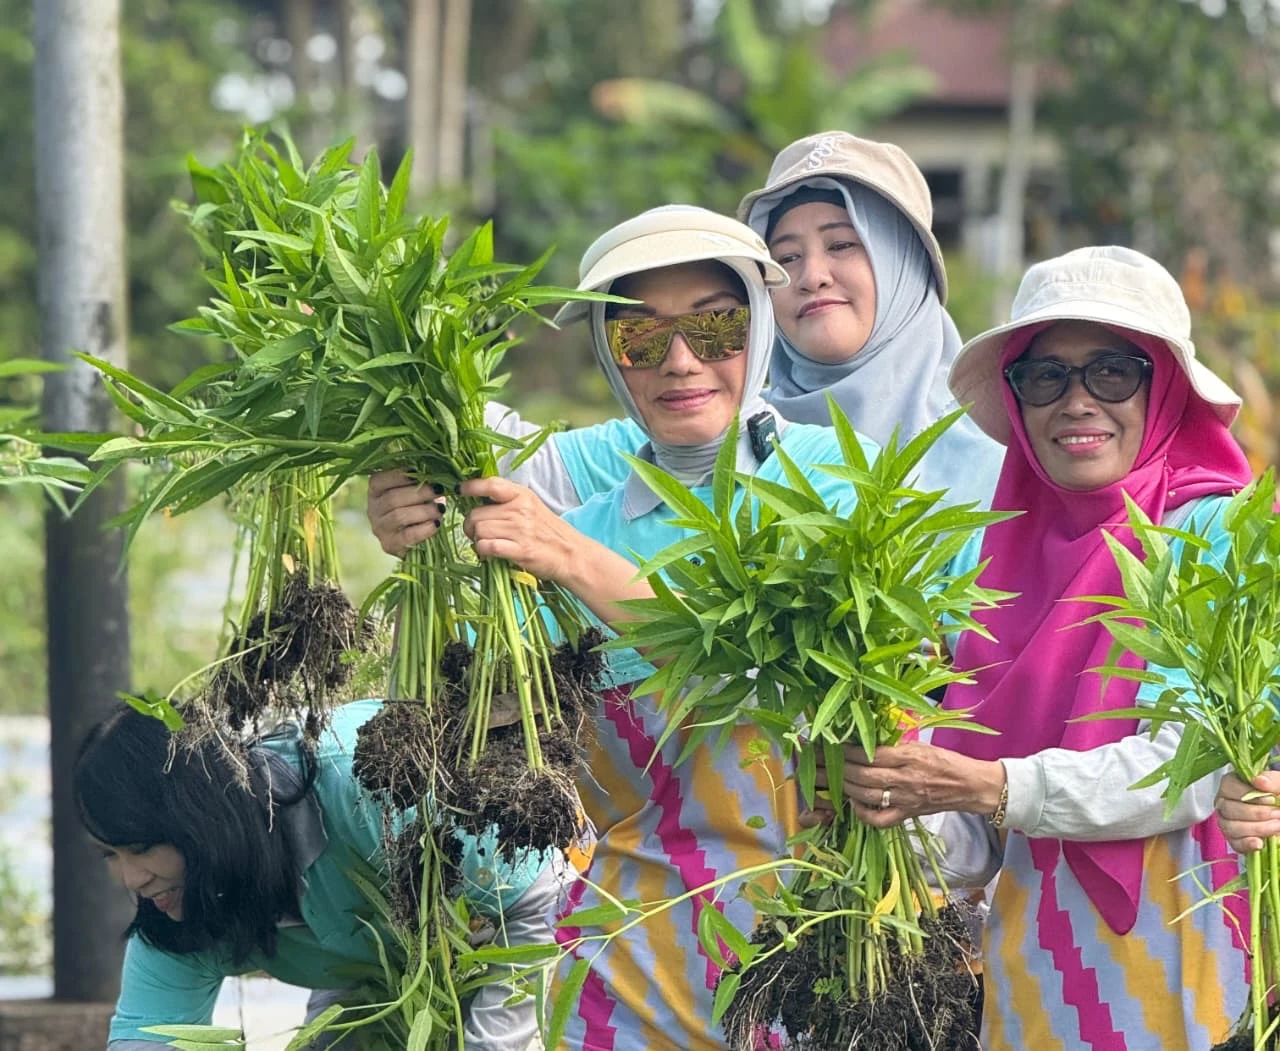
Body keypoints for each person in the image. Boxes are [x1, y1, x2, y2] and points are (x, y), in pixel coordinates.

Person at [421, 205, 873, 1049]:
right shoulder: (572, 535)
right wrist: (419, 529)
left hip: (804, 965)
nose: (680, 360)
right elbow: (492, 740)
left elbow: (771, 675)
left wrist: (577, 560)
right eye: (639, 337)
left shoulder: (838, 493)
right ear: (607, 353)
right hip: (621, 979)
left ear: (761, 326)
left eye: (715, 324)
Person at [831, 246, 1255, 1049]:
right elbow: (972, 847)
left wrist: (982, 782)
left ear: (1162, 385)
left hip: (1191, 961)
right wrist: (888, 799)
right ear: (1018, 401)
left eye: (1112, 372)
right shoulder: (990, 562)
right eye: (1046, 377)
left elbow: (1185, 771)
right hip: (1037, 977)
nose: (1077, 401)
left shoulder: (1217, 534)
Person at [366, 131, 1004, 557]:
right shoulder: (674, 435)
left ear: (905, 265)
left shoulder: (1000, 457)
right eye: (786, 255)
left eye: (844, 243)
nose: (813, 275)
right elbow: (507, 460)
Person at [76, 699, 559, 1050]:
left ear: (201, 816)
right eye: (110, 856)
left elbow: (536, 893)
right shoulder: (176, 911)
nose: (131, 879)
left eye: (141, 848)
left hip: (530, 926)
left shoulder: (364, 784)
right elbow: (146, 1038)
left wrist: (495, 1043)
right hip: (385, 969)